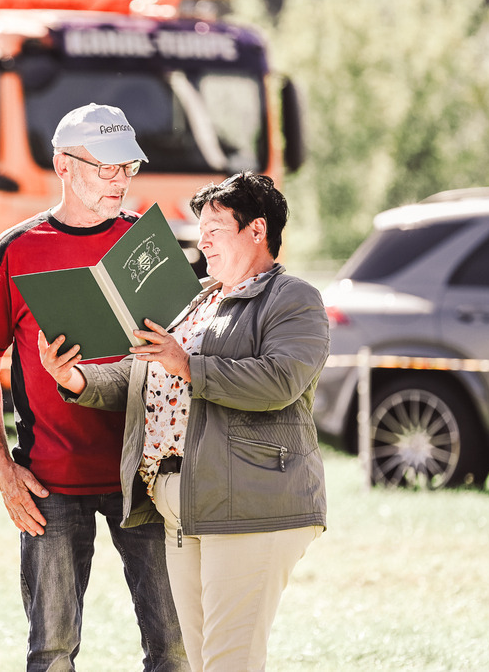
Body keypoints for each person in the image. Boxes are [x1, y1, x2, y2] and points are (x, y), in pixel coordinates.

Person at [39, 172, 330, 671]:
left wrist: (187, 365)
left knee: (228, 663)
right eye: (201, 230)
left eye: (215, 229)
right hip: (183, 507)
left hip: (248, 507)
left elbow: (280, 381)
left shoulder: (293, 299)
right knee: (199, 663)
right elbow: (144, 372)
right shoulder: (197, 297)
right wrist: (76, 380)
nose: (203, 242)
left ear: (257, 231)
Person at [0, 103, 188, 671]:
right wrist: (2, 469)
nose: (119, 182)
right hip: (50, 484)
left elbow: (190, 351)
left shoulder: (147, 243)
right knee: (52, 653)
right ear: (63, 165)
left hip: (146, 476)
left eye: (127, 169)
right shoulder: (16, 250)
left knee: (177, 648)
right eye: (105, 168)